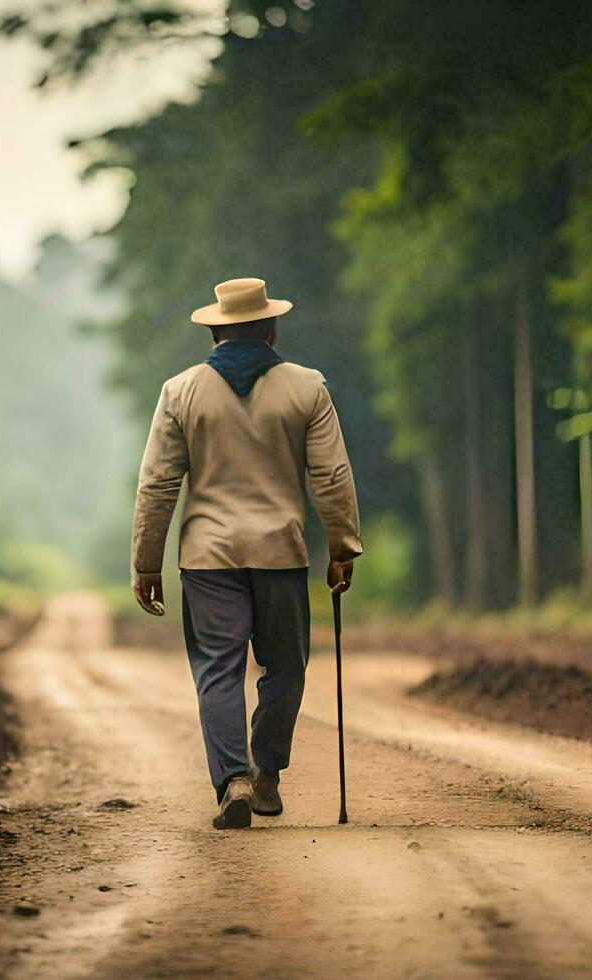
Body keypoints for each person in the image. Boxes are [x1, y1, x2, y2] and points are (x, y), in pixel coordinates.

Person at [130, 277, 362, 829]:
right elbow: (331, 474)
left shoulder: (180, 391)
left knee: (217, 669)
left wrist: (146, 561)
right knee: (285, 666)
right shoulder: (307, 388)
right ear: (272, 327)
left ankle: (232, 777)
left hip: (207, 558)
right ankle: (267, 775)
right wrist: (342, 545)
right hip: (281, 552)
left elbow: (158, 484)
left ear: (213, 329)